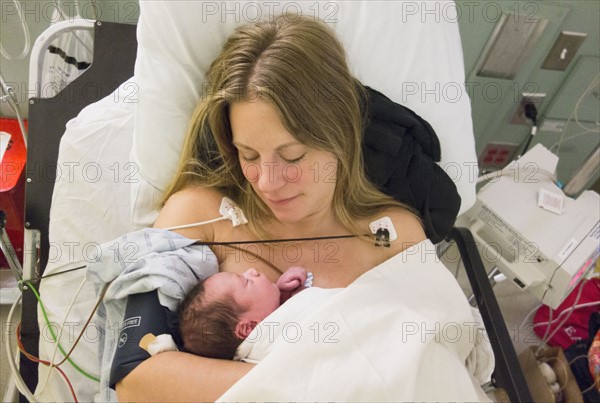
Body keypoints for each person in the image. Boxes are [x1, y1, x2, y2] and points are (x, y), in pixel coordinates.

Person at [116, 13, 426, 401]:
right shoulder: (200, 215)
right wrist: (329, 386)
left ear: (340, 136)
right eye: (248, 154)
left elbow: (431, 356)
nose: (267, 182)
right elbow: (135, 377)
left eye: (293, 156)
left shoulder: (389, 235)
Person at [179, 266, 310, 360]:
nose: (252, 271)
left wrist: (281, 295)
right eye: (247, 281)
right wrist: (300, 297)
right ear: (248, 327)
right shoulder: (272, 352)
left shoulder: (263, 327)